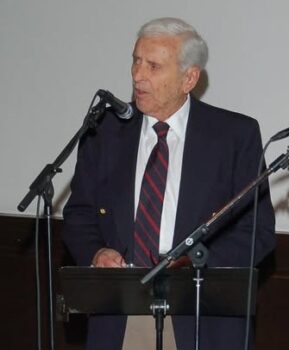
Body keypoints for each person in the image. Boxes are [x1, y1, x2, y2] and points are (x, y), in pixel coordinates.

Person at [62, 17, 276, 350]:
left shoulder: (234, 136)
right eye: (135, 61)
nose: (137, 75)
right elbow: (79, 214)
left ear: (189, 78)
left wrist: (191, 267)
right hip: (121, 314)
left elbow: (256, 233)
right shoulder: (105, 131)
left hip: (201, 318)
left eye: (153, 66)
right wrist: (96, 252)